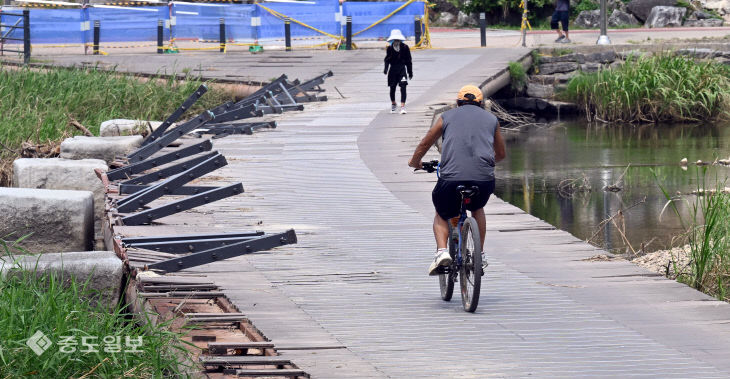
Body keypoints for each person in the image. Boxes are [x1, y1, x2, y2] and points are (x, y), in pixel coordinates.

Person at [407, 85, 506, 275]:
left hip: (451, 179)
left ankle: (442, 252)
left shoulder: (446, 117)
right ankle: (480, 254)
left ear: (458, 103)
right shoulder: (492, 120)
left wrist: (415, 162)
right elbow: (501, 154)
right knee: (477, 208)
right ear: (481, 104)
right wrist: (486, 163)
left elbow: (426, 142)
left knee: (442, 212)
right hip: (483, 180)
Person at [384, 29, 413, 115]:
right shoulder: (389, 48)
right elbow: (387, 60)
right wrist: (386, 69)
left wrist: (410, 71)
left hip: (402, 69)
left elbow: (408, 60)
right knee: (392, 88)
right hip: (393, 70)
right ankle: (393, 103)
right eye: (395, 40)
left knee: (403, 86)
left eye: (398, 40)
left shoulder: (405, 48)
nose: (397, 41)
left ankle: (402, 106)